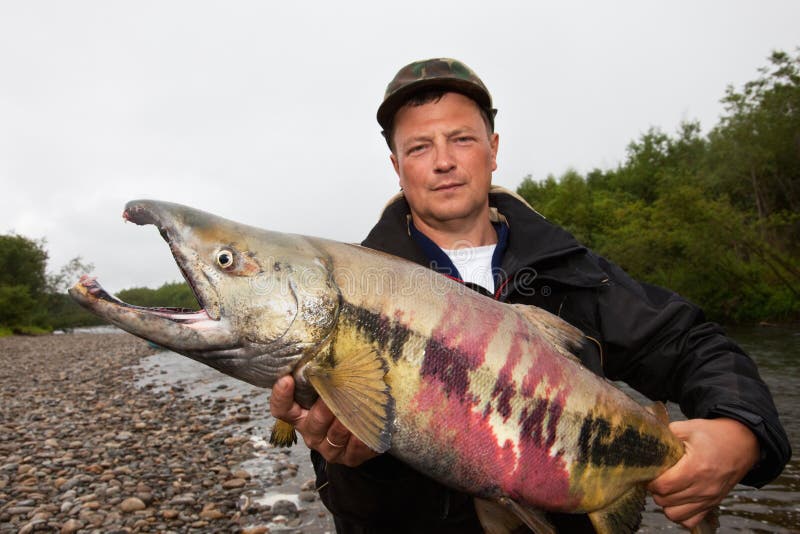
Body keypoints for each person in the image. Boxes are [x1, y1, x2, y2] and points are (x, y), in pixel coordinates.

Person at [270, 58, 791, 533]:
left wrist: (741, 433)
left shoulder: (573, 271)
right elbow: (359, 516)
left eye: (462, 139)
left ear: (494, 149)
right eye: (419, 147)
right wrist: (354, 464)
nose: (443, 162)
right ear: (396, 165)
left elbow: (693, 343)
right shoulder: (345, 300)